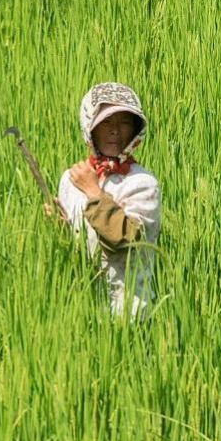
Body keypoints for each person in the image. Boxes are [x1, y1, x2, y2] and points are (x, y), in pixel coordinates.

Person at [56, 82, 161, 320]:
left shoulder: (142, 183)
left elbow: (123, 239)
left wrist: (93, 191)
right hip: (82, 310)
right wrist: (57, 224)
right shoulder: (72, 178)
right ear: (89, 127)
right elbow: (74, 242)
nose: (115, 131)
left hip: (131, 314)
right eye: (106, 122)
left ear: (135, 131)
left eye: (124, 122)